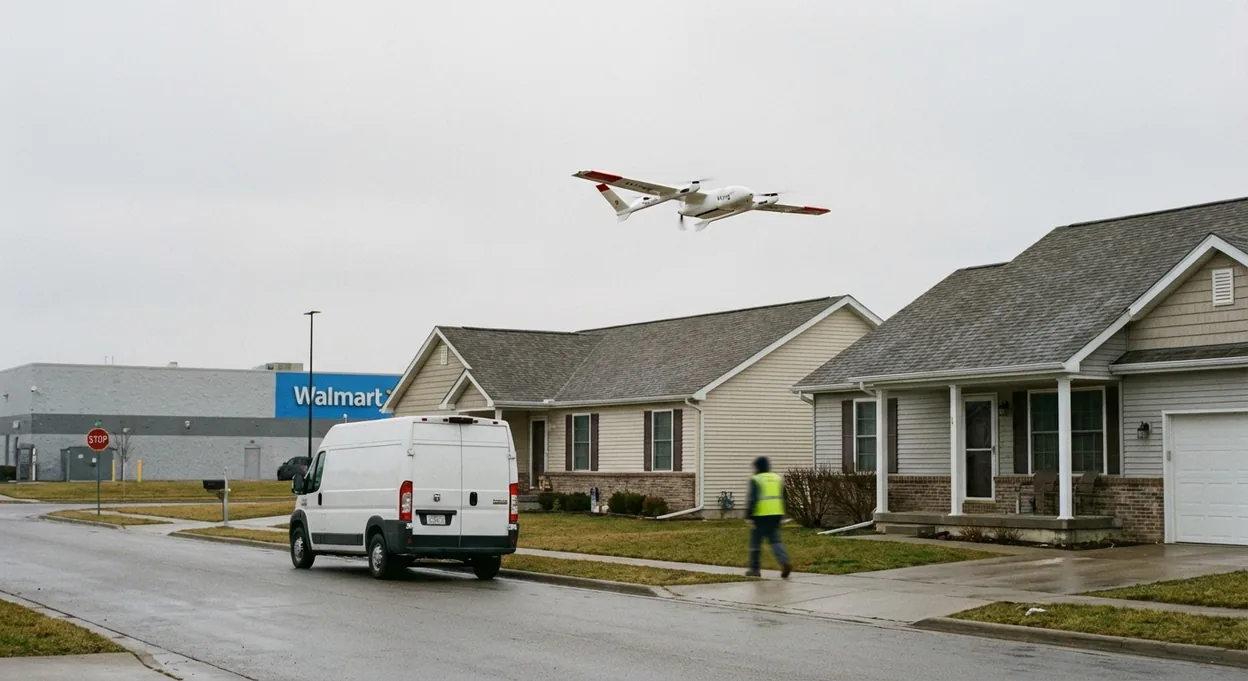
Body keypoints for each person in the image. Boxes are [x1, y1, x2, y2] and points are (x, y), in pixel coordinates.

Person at [745, 456, 792, 579]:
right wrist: (783, 514)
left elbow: (753, 499)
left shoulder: (756, 479)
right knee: (775, 541)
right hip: (776, 515)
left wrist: (749, 515)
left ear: (757, 467)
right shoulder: (777, 478)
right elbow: (784, 496)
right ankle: (784, 562)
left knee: (755, 543)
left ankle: (755, 569)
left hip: (760, 516)